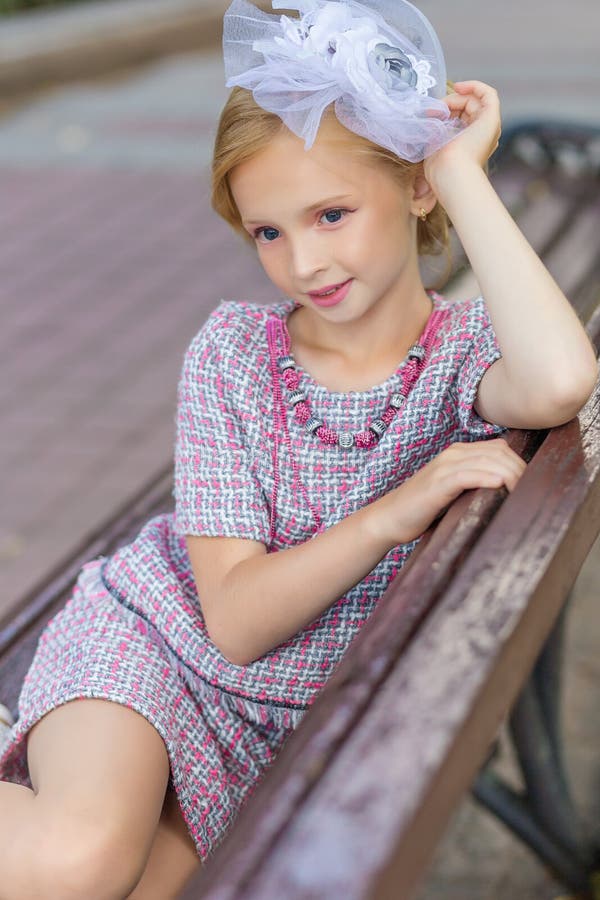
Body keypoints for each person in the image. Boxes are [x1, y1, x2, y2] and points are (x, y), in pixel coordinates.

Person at [0, 0, 597, 896]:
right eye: (269, 233)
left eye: (330, 214)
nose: (303, 264)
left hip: (271, 724)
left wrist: (460, 172)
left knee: (138, 888)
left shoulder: (461, 358)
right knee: (78, 859)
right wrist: (394, 512)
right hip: (157, 645)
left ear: (414, 188)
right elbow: (234, 624)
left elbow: (558, 381)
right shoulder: (233, 353)